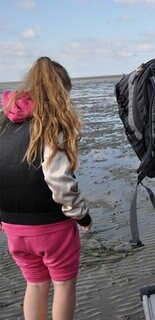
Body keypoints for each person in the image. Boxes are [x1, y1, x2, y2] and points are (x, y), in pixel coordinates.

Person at [0, 57, 92, 320]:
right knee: (63, 285)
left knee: (35, 284)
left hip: (14, 227)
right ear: (61, 90)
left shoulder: (3, 121)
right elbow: (59, 180)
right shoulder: (51, 124)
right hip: (51, 227)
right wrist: (81, 215)